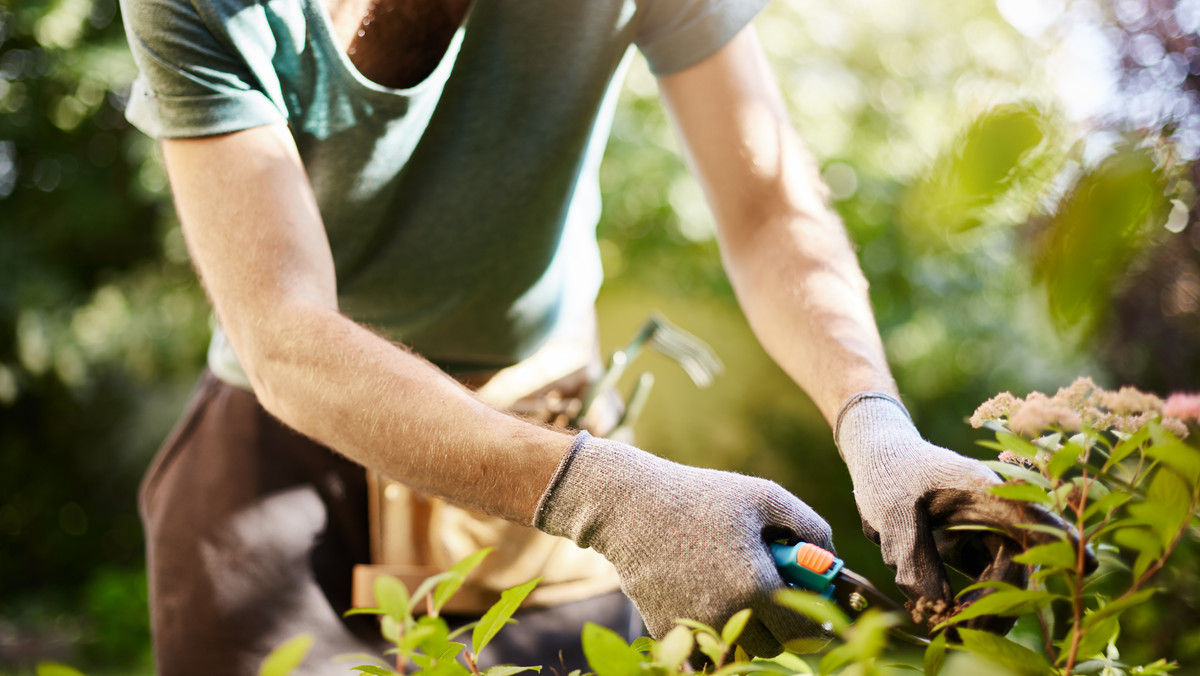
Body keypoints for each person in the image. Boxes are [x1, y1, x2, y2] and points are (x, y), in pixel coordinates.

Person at [118, 0, 1077, 673]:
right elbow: (285, 333)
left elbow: (768, 207)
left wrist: (875, 424)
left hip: (546, 420)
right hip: (280, 461)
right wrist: (607, 494)